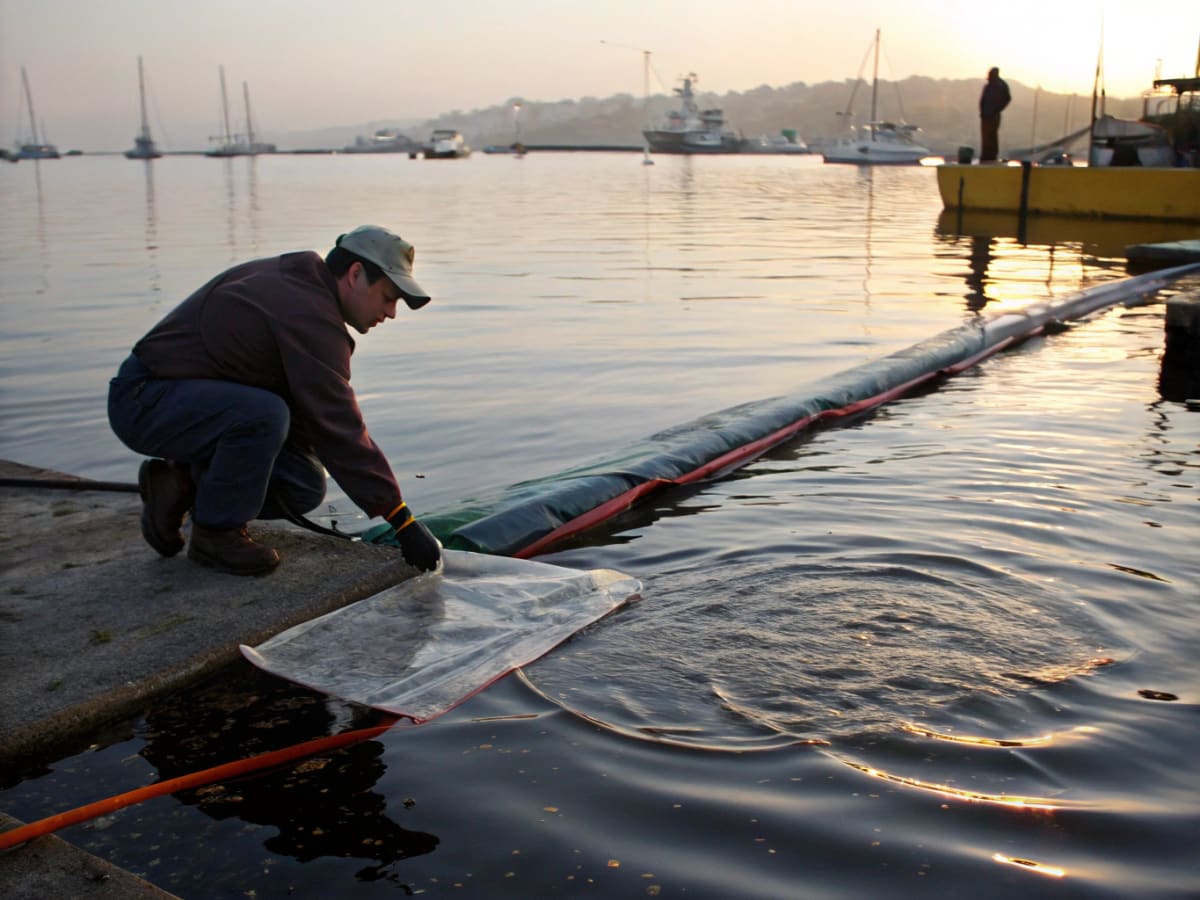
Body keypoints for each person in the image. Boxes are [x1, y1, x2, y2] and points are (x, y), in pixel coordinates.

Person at [107, 225, 442, 576]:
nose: (391, 312)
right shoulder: (306, 312)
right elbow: (338, 426)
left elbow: (315, 421)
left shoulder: (305, 289)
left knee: (302, 483)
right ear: (355, 274)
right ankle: (215, 535)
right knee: (264, 415)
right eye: (388, 297)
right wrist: (401, 520)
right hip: (144, 398)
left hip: (190, 401)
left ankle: (180, 486)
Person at [979, 66, 1012, 163]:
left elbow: (1007, 98)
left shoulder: (1001, 85)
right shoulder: (988, 86)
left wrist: (997, 109)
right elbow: (983, 100)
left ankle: (991, 156)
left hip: (993, 115)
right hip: (985, 115)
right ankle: (986, 156)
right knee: (986, 136)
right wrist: (982, 111)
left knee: (991, 136)